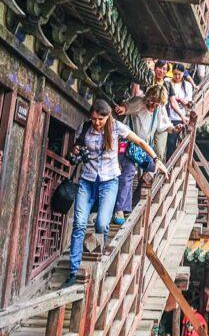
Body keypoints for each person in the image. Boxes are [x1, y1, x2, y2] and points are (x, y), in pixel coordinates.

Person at [63, 100, 165, 287]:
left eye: (101, 119)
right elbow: (75, 148)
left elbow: (140, 141)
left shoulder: (117, 128)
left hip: (109, 181)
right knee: (79, 224)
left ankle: (102, 257)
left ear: (108, 116)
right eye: (94, 118)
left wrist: (156, 159)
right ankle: (73, 271)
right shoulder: (85, 128)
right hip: (87, 180)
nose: (97, 122)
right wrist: (76, 152)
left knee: (102, 223)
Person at [113, 85, 174, 223]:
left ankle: (136, 201)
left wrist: (175, 129)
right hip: (130, 145)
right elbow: (127, 107)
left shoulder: (158, 109)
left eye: (157, 103)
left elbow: (163, 126)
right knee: (128, 172)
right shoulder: (140, 102)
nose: (153, 105)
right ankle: (120, 210)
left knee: (153, 169)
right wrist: (122, 109)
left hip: (144, 148)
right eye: (152, 101)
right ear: (148, 98)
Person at [166, 63, 193, 158]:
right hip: (167, 116)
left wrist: (182, 101)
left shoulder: (188, 86)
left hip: (180, 117)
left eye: (179, 74)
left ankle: (171, 165)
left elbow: (189, 103)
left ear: (183, 73)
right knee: (169, 143)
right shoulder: (167, 82)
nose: (177, 76)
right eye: (175, 74)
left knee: (174, 142)